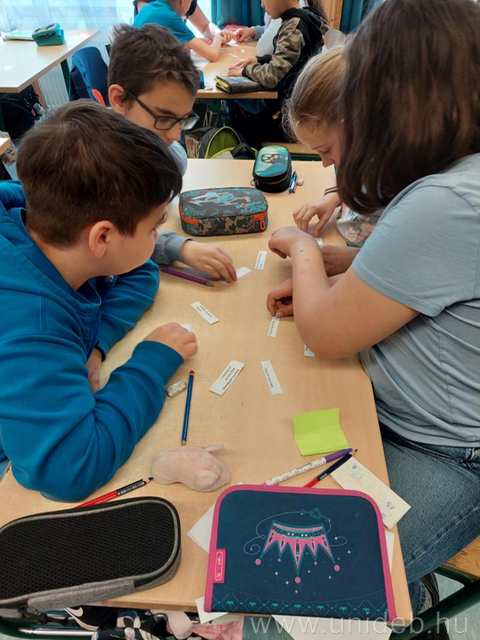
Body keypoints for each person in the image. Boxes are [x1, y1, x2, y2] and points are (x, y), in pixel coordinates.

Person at [267, 0, 480, 625]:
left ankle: (394, 604)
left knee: (293, 595)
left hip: (443, 452)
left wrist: (304, 250)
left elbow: (324, 332)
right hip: (407, 418)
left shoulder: (445, 201)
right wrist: (347, 265)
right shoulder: (457, 178)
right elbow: (431, 275)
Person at [0, 101, 198, 501]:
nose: (157, 238)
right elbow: (71, 469)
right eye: (154, 226)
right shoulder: (32, 326)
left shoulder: (36, 212)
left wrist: (95, 345)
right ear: (102, 237)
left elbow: (140, 269)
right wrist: (151, 363)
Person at [108, 24, 237, 284]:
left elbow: (177, 158)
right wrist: (178, 247)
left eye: (182, 120)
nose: (176, 135)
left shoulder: (160, 151)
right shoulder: (93, 167)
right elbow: (116, 244)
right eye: (165, 118)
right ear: (120, 100)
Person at [286, 48, 381, 276]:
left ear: (355, 124)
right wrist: (336, 196)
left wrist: (355, 260)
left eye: (326, 150)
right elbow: (359, 181)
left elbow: (417, 256)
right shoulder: (358, 151)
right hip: (349, 240)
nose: (325, 163)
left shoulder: (398, 171)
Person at [227, 0, 327, 145]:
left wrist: (245, 71)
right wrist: (259, 60)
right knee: (243, 124)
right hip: (296, 109)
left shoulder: (293, 28)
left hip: (291, 119)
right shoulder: (302, 18)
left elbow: (271, 77)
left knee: (239, 132)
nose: (262, 5)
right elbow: (292, 61)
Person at [133, 0, 229, 62]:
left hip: (131, 67)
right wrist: (218, 38)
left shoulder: (147, 9)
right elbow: (212, 54)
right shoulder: (171, 17)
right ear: (183, 1)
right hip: (147, 73)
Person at [234, 0, 324, 58]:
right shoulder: (299, 14)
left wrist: (247, 70)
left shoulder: (293, 26)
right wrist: (255, 31)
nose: (262, 5)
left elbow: (265, 51)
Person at [134, 0, 227, 42]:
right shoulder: (149, 7)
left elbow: (205, 26)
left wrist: (218, 34)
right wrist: (193, 42)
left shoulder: (187, 2)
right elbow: (150, 35)